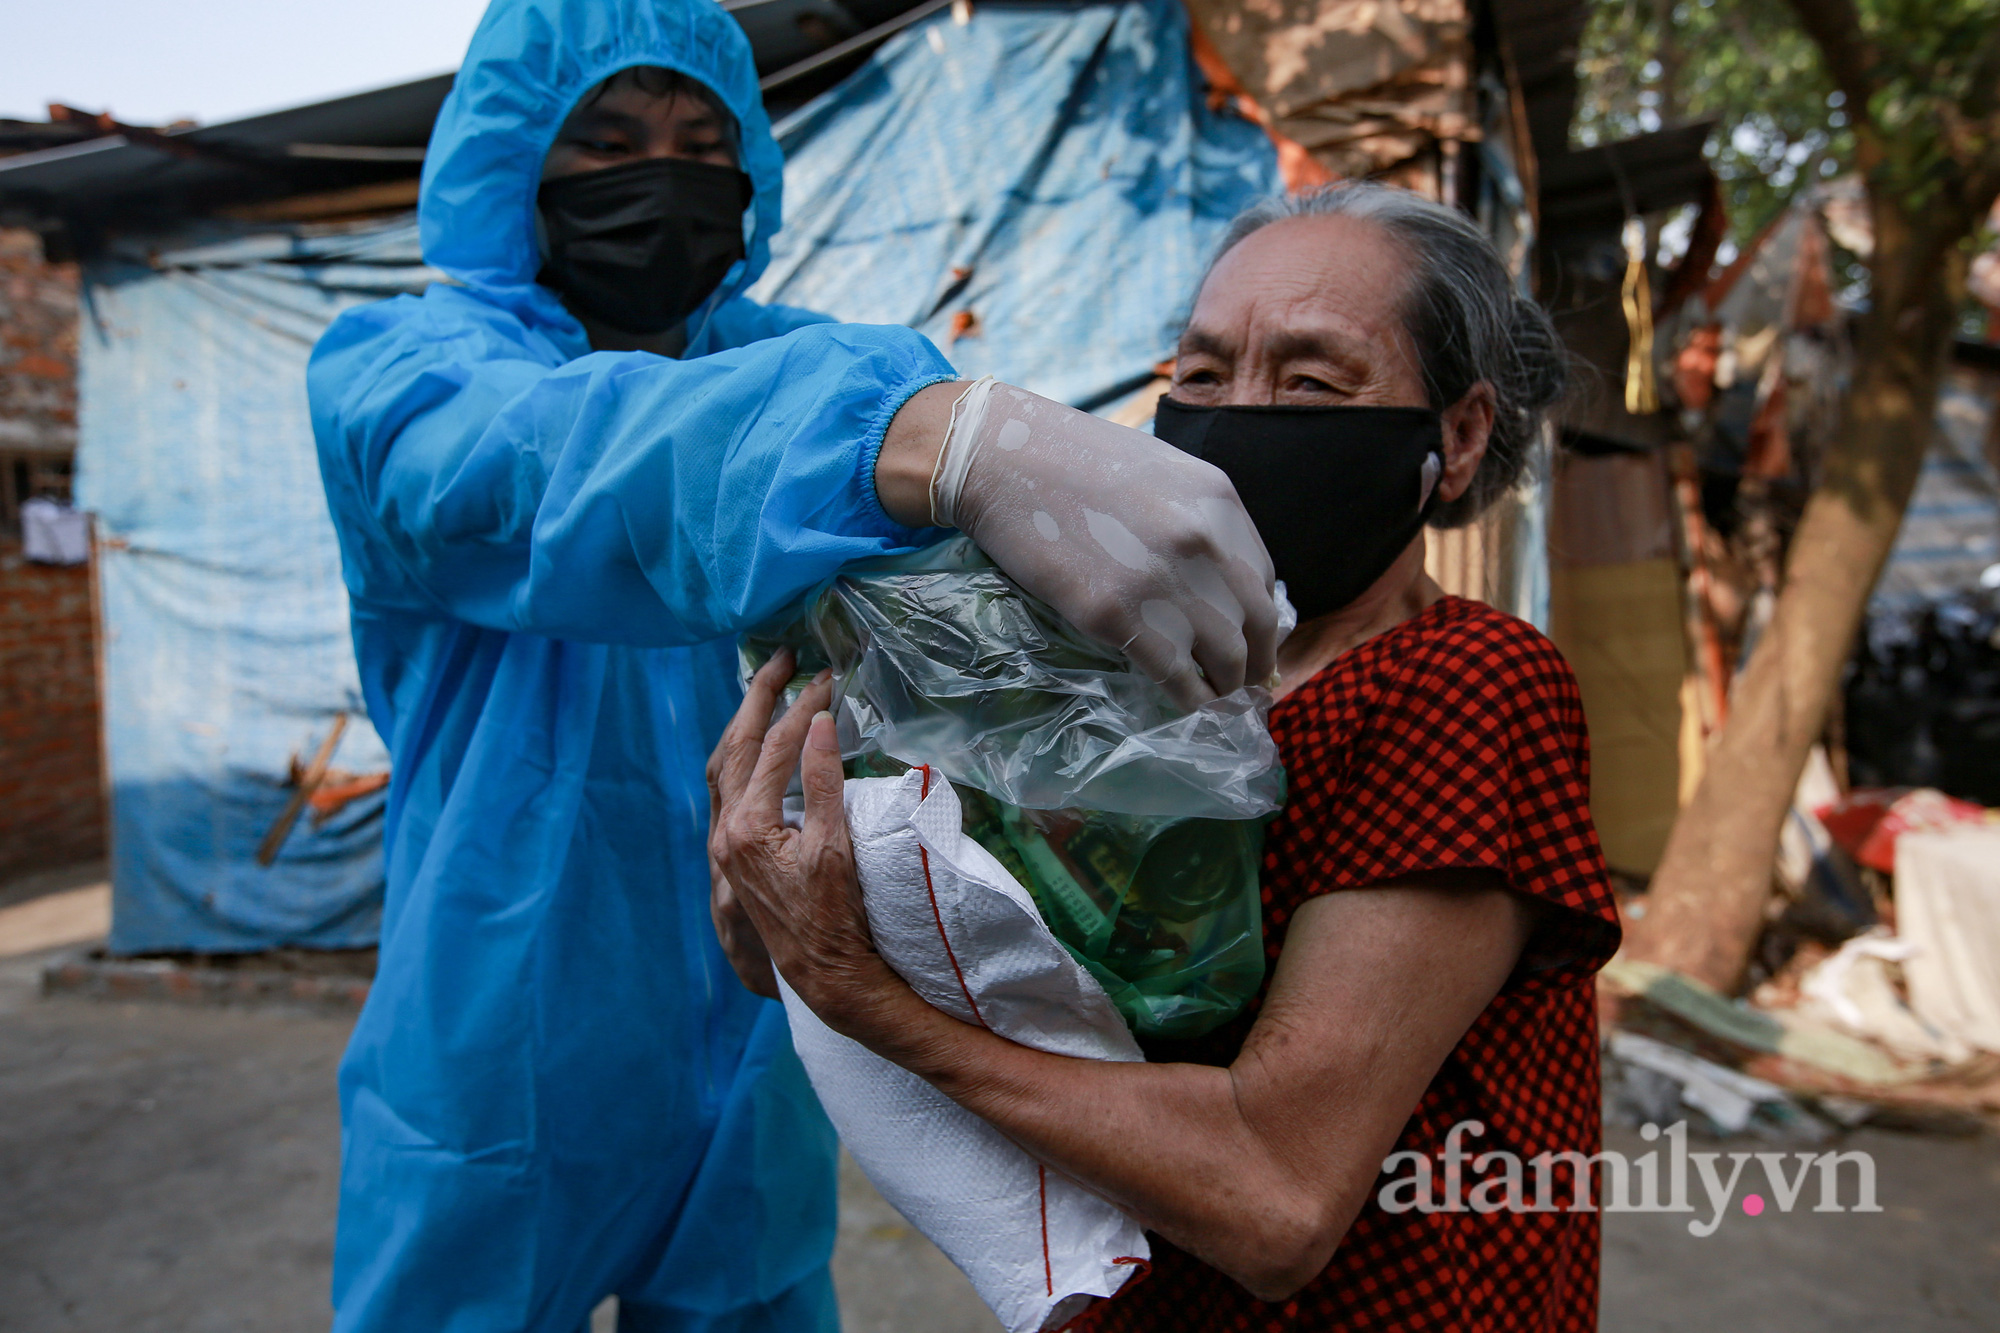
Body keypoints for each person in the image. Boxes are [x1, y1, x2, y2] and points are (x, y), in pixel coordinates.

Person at [305, 0, 1282, 1328]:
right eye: (607, 143)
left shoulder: (815, 369)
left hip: (769, 997)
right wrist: (939, 441)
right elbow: (564, 464)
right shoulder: (400, 378)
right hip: (506, 1026)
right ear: (510, 168)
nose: (664, 173)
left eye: (704, 139)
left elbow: (959, 650)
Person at [709, 182, 1623, 1333]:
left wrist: (866, 1003)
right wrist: (774, 895)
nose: (1240, 417)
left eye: (1309, 380)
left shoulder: (1464, 683)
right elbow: (922, 956)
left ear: (1455, 435)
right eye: (1199, 376)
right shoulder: (1103, 672)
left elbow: (1273, 1197)